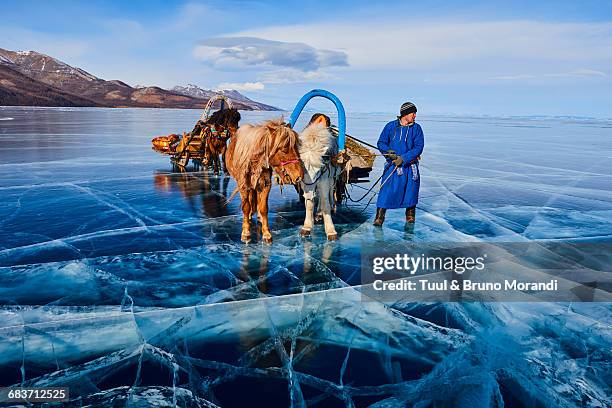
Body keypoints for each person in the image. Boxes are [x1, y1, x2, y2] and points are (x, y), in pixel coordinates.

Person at [373, 102, 424, 226]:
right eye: (413, 113)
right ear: (405, 114)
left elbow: (418, 147)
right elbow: (381, 142)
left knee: (410, 191)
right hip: (393, 165)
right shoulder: (391, 126)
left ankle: (410, 216)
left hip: (409, 167)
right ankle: (379, 217)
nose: (415, 116)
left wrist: (404, 158)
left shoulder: (416, 129)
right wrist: (388, 152)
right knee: (386, 190)